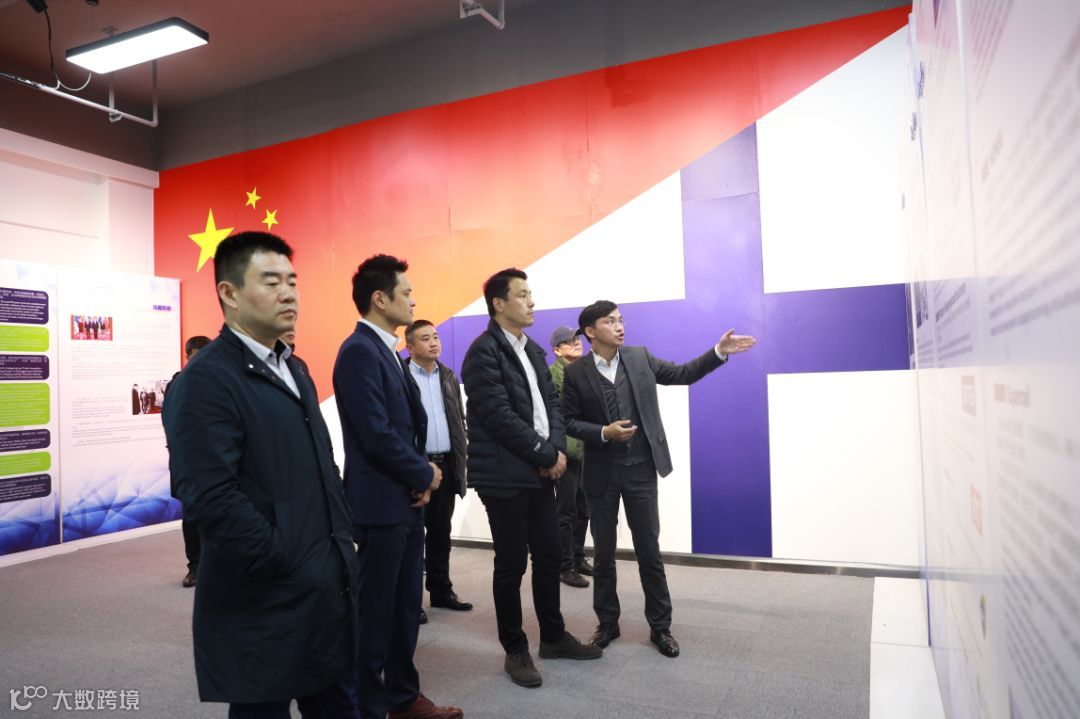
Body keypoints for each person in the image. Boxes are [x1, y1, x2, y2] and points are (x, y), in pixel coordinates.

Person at [162, 231, 361, 717]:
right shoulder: (207, 380)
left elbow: (320, 465)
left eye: (292, 281)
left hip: (323, 584)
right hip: (264, 593)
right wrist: (281, 555)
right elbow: (208, 494)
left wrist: (340, 539)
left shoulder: (295, 368)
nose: (289, 293)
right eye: (271, 282)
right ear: (229, 293)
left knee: (338, 703)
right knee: (262, 709)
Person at [562, 300, 756, 659]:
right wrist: (603, 432)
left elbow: (682, 374)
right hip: (601, 473)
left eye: (621, 320)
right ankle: (608, 623)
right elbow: (569, 421)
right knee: (603, 555)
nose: (620, 326)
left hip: (640, 469)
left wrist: (718, 352)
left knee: (649, 551)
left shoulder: (639, 357)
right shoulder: (576, 373)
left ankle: (660, 627)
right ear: (590, 331)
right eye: (610, 321)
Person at [333, 255, 462, 719]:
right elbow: (375, 432)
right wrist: (423, 473)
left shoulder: (385, 351)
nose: (413, 300)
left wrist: (419, 478)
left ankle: (403, 698)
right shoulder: (358, 352)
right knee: (376, 612)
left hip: (405, 500)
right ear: (380, 299)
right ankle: (369, 706)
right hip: (379, 504)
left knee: (406, 607)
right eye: (406, 293)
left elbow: (405, 428)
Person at [461, 268, 601, 689]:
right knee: (510, 563)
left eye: (530, 293)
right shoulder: (482, 353)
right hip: (503, 475)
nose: (532, 301)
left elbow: (553, 405)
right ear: (498, 303)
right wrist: (546, 454)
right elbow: (499, 417)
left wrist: (556, 450)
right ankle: (515, 648)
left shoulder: (534, 350)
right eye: (522, 294)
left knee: (549, 554)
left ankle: (553, 637)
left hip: (541, 469)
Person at [404, 319, 472, 615]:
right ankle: (410, 601)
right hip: (416, 467)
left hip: (446, 465)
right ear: (409, 347)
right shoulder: (402, 377)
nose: (434, 343)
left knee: (440, 534)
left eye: (436, 336)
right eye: (425, 338)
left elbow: (458, 419)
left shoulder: (448, 376)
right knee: (412, 537)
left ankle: (441, 591)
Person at [165, 334, 212, 588]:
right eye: (196, 357)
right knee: (192, 517)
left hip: (215, 464)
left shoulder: (219, 383)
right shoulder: (177, 385)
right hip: (188, 463)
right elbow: (172, 426)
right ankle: (195, 567)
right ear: (187, 357)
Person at [548, 326, 592, 589]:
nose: (577, 343)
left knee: (583, 509)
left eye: (577, 339)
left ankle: (577, 557)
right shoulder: (553, 375)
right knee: (565, 511)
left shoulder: (586, 371)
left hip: (587, 450)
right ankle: (564, 566)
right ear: (557, 350)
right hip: (565, 451)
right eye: (569, 341)